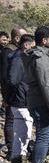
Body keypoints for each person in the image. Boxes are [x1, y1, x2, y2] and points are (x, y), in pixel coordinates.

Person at [23, 26, 49, 163]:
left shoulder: (34, 55)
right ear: (44, 40)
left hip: (36, 100)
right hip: (43, 103)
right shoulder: (41, 58)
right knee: (44, 136)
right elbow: (44, 83)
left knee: (42, 135)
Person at [5, 35, 35, 163]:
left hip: (21, 100)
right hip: (21, 101)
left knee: (22, 132)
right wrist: (11, 98)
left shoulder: (20, 57)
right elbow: (13, 81)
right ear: (26, 45)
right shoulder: (19, 59)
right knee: (24, 132)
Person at [1, 28, 26, 156]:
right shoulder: (8, 51)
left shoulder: (16, 51)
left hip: (18, 91)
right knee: (10, 120)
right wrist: (6, 96)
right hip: (11, 92)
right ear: (17, 38)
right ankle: (11, 149)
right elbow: (5, 76)